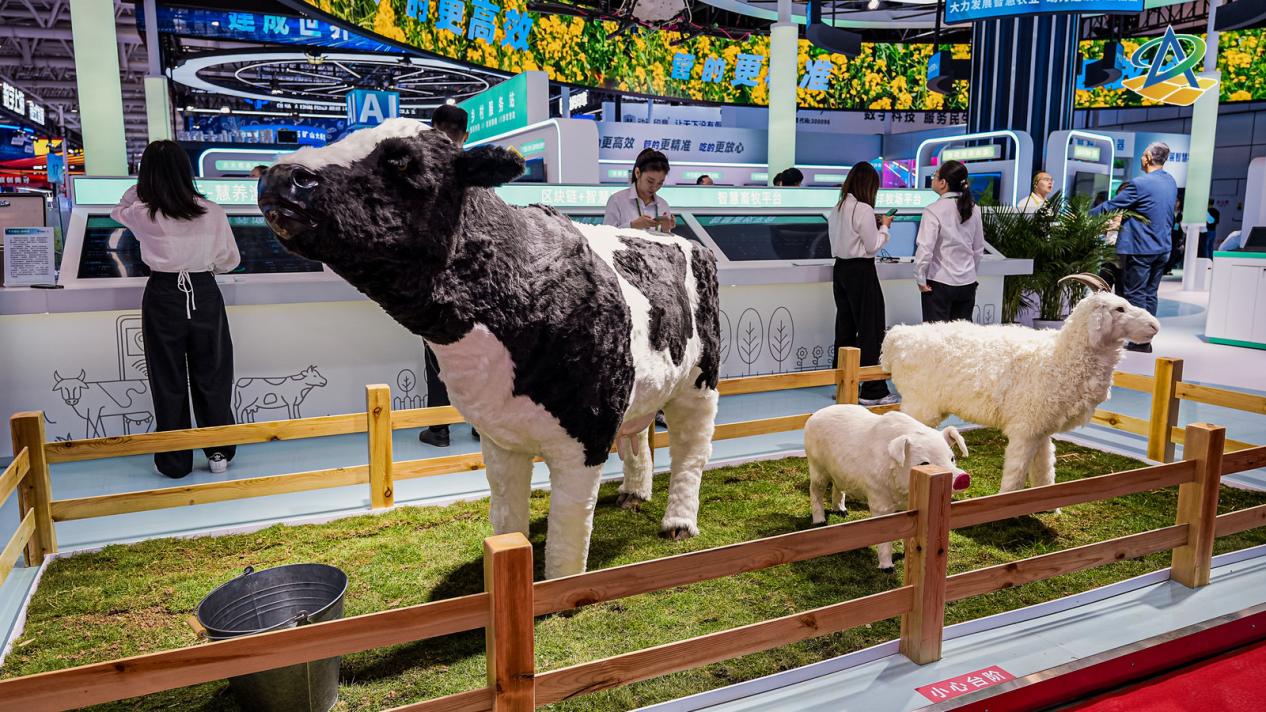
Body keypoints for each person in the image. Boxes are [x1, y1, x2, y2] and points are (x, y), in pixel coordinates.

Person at [111, 141, 240, 478]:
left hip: (163, 293)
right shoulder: (212, 211)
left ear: (147, 175)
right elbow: (229, 260)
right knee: (213, 373)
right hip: (203, 291)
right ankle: (219, 452)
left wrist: (145, 187)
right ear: (186, 171)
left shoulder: (143, 213)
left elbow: (119, 207)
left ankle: (175, 461)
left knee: (167, 377)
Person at [418, 103, 473, 447]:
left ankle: (439, 429)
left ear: (431, 130)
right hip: (476, 282)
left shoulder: (418, 172)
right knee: (481, 358)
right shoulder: (477, 172)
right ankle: (484, 426)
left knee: (437, 358)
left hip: (434, 283)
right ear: (465, 136)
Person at [1091, 142, 1177, 352]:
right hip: (1163, 247)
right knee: (1150, 293)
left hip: (1141, 247)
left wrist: (1085, 216)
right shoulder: (1170, 181)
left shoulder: (1140, 184)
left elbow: (1112, 206)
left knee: (1136, 294)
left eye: (1143, 154)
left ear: (1147, 157)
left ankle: (1140, 342)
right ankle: (1147, 338)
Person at [829, 161, 897, 406]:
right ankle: (873, 390)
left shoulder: (838, 208)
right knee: (871, 327)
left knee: (845, 327)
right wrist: (885, 228)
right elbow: (872, 246)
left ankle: (843, 385)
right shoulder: (864, 209)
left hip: (841, 270)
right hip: (862, 271)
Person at [914, 159, 985, 323]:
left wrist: (920, 278)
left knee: (936, 336)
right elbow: (978, 249)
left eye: (935, 175)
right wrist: (970, 274)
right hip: (967, 283)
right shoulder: (975, 209)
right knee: (960, 336)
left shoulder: (933, 210)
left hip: (939, 283)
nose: (933, 178)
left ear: (943, 183)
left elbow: (925, 248)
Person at [603, 149, 673, 232]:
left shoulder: (663, 205)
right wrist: (632, 225)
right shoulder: (617, 200)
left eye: (660, 183)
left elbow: (666, 238)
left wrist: (666, 229)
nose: (654, 187)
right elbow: (607, 234)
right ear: (637, 173)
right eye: (650, 181)